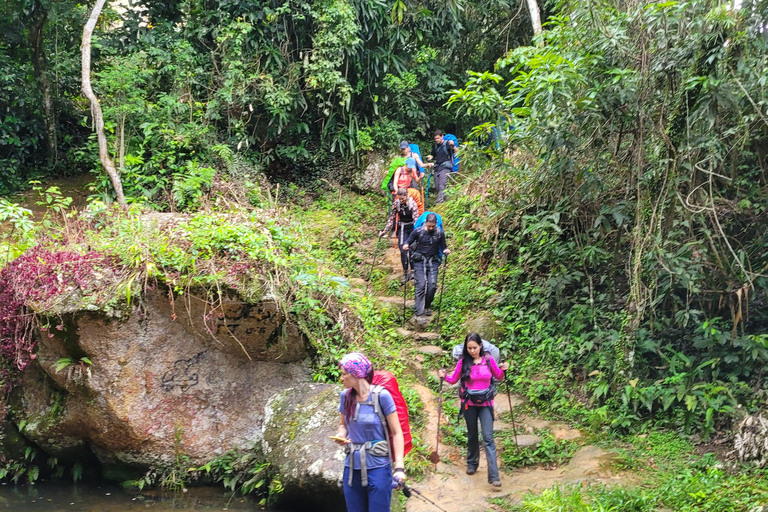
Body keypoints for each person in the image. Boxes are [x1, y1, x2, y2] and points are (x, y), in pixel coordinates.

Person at [334, 353, 406, 512]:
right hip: (352, 468)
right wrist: (341, 435)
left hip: (378, 467)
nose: (341, 378)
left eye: (344, 374)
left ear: (356, 375)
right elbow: (343, 425)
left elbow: (397, 432)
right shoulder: (345, 396)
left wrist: (399, 467)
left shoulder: (382, 396)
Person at [438, 333, 509, 487]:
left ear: (480, 346)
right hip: (469, 403)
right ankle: (472, 464)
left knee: (488, 437)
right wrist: (443, 376)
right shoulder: (463, 362)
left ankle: (494, 476)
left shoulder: (489, 360)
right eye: (469, 348)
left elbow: (499, 376)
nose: (472, 351)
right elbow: (453, 379)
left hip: (486, 404)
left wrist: (504, 369)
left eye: (474, 348)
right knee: (472, 435)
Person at [402, 213, 450, 317]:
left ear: (436, 224)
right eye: (429, 226)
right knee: (421, 285)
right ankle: (419, 313)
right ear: (425, 223)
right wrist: (406, 245)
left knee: (432, 286)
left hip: (433, 261)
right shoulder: (418, 232)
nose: (431, 228)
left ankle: (426, 306)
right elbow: (408, 240)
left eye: (433, 226)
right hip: (419, 261)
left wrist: (446, 250)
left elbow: (443, 246)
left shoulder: (440, 233)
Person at [380, 188, 421, 283]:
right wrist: (384, 231)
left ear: (407, 195)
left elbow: (416, 220)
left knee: (411, 249)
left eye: (403, 198)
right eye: (400, 198)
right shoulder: (396, 204)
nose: (401, 200)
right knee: (403, 250)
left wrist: (417, 234)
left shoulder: (412, 204)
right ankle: (405, 273)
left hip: (412, 227)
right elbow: (391, 218)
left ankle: (413, 272)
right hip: (402, 228)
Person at [428, 130, 456, 204]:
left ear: (442, 136)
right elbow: (433, 155)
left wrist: (453, 145)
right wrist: (430, 157)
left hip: (445, 167)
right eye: (435, 139)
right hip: (437, 167)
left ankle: (438, 203)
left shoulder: (447, 144)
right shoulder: (435, 146)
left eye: (438, 138)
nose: (437, 140)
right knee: (437, 187)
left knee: (442, 185)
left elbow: (456, 152)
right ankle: (446, 199)